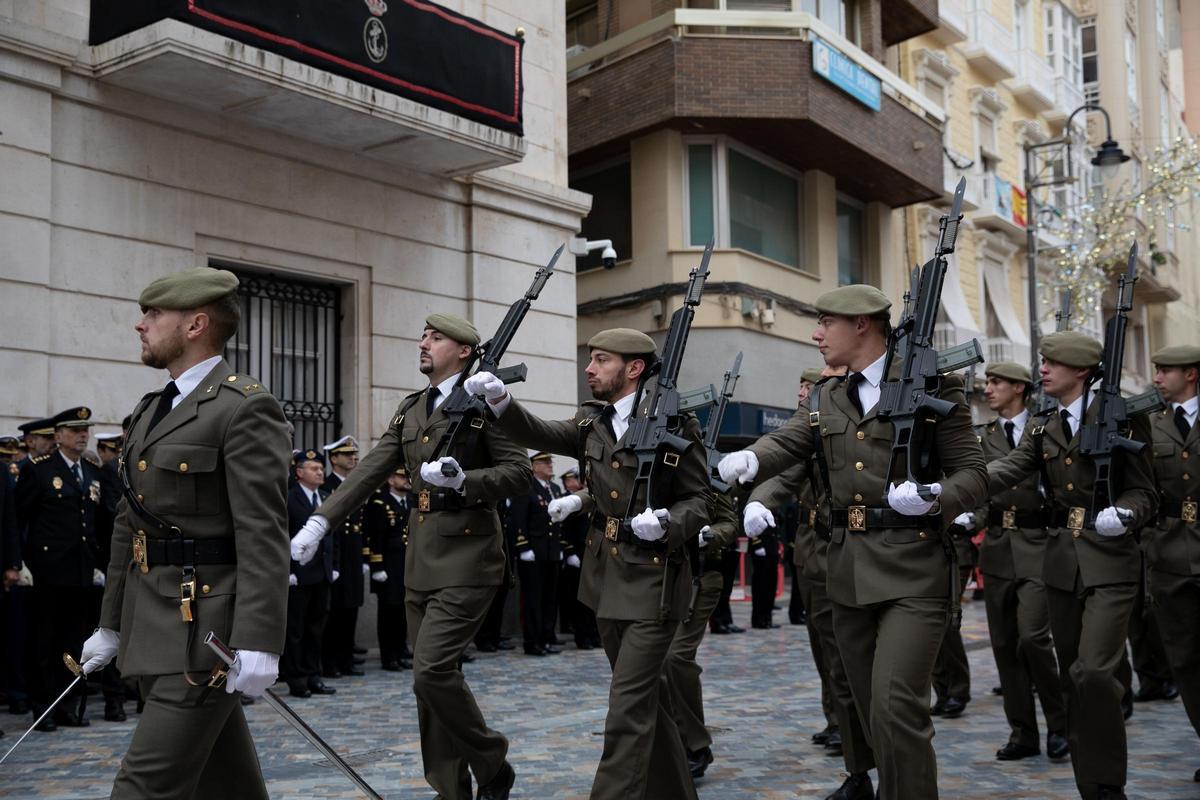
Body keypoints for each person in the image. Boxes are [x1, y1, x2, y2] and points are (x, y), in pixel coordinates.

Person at [719, 285, 987, 800]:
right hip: (846, 570)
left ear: (862, 324)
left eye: (826, 323)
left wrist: (935, 498)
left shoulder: (934, 387)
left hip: (914, 570)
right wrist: (752, 459)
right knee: (864, 706)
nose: (816, 335)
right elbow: (790, 441)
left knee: (895, 706)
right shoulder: (829, 395)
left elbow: (974, 474)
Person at [465, 327, 709, 800]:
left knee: (627, 708)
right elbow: (541, 433)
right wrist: (500, 401)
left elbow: (700, 500)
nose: (589, 368)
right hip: (606, 579)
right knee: (646, 701)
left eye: (601, 360)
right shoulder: (591, 419)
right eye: (591, 358)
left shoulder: (676, 424)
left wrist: (669, 522)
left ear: (633, 368)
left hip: (655, 580)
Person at [291, 313, 529, 800]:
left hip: (469, 557)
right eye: (423, 335)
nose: (423, 343)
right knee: (431, 683)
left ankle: (492, 762)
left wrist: (464, 481)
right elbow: (371, 469)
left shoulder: (486, 401)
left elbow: (519, 473)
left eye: (436, 338)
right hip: (421, 559)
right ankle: (451, 789)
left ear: (464, 351)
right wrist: (320, 521)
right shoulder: (412, 408)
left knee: (432, 670)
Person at [78, 267, 291, 799]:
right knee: (227, 786)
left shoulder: (243, 407)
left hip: (206, 635)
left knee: (142, 787)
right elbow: (130, 527)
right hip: (152, 625)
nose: (140, 324)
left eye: (154, 314)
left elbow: (262, 532)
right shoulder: (152, 409)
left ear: (195, 325)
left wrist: (260, 639)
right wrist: (110, 623)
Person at [987, 331, 1157, 800]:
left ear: (1081, 370)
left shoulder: (1122, 417)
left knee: (1094, 673)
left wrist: (1126, 512)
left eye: (1052, 362)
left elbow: (1145, 491)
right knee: (1071, 678)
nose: (1042, 369)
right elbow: (1008, 469)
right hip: (1061, 563)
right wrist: (949, 490)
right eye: (1042, 361)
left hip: (1111, 563)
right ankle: (1091, 785)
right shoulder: (1045, 425)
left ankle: (1110, 782)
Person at [959, 362, 1068, 761]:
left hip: (1039, 545)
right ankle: (1023, 732)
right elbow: (981, 490)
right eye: (987, 382)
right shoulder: (981, 437)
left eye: (997, 382)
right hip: (999, 548)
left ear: (1020, 388)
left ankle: (1061, 724)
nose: (988, 388)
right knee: (1004, 644)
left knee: (1034, 638)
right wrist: (970, 517)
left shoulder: (1046, 428)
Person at [16, 406, 111, 731]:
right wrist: (19, 562)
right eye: (74, 430)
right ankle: (43, 708)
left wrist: (100, 564)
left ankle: (66, 705)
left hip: (82, 571)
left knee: (74, 643)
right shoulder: (40, 470)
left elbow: (98, 523)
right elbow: (19, 518)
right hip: (48, 572)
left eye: (85, 430)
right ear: (58, 436)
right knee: (44, 642)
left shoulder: (91, 471)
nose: (82, 435)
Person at [1144, 344, 1200, 784]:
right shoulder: (1150, 424)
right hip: (1168, 554)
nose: (1157, 378)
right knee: (1184, 658)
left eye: (1166, 370)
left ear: (1191, 374)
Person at [665, 489, 739, 780]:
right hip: (658, 577)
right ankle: (670, 743)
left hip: (700, 576)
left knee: (677, 657)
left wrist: (710, 535)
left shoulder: (710, 480)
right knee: (653, 662)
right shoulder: (657, 474)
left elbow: (730, 523)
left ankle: (696, 745)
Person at [282, 449, 337, 698]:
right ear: (299, 472)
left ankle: (314, 675)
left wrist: (334, 566)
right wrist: (287, 571)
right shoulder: (289, 499)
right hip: (298, 576)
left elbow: (332, 538)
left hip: (322, 574)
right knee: (296, 630)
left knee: (316, 629)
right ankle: (297, 679)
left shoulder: (326, 497)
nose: (320, 472)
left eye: (321, 468)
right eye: (314, 468)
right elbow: (282, 536)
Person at [321, 435, 368, 678]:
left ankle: (346, 658)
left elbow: (363, 524)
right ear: (334, 458)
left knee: (351, 608)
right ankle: (330, 662)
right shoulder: (326, 486)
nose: (352, 458)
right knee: (335, 613)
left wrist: (366, 558)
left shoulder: (353, 485)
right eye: (347, 454)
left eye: (354, 454)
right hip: (336, 557)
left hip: (353, 556)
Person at [509, 452, 564, 656]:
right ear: (534, 466)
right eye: (545, 462)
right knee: (533, 598)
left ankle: (546, 638)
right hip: (533, 553)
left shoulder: (554, 489)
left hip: (551, 551)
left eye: (550, 461)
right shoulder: (526, 487)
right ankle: (532, 641)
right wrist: (523, 547)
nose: (550, 465)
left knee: (550, 597)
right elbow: (518, 518)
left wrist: (560, 548)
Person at [367, 466, 413, 671]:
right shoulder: (380, 502)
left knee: (403, 610)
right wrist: (377, 566)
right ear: (391, 479)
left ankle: (401, 649)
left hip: (406, 565)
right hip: (388, 566)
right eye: (402, 476)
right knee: (388, 612)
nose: (406, 480)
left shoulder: (411, 501)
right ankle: (389, 656)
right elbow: (375, 536)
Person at [553, 468, 601, 649]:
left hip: (592, 554)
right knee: (580, 600)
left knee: (593, 600)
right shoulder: (574, 502)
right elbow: (565, 530)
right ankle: (583, 636)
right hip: (578, 555)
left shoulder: (596, 501)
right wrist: (570, 552)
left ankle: (594, 634)